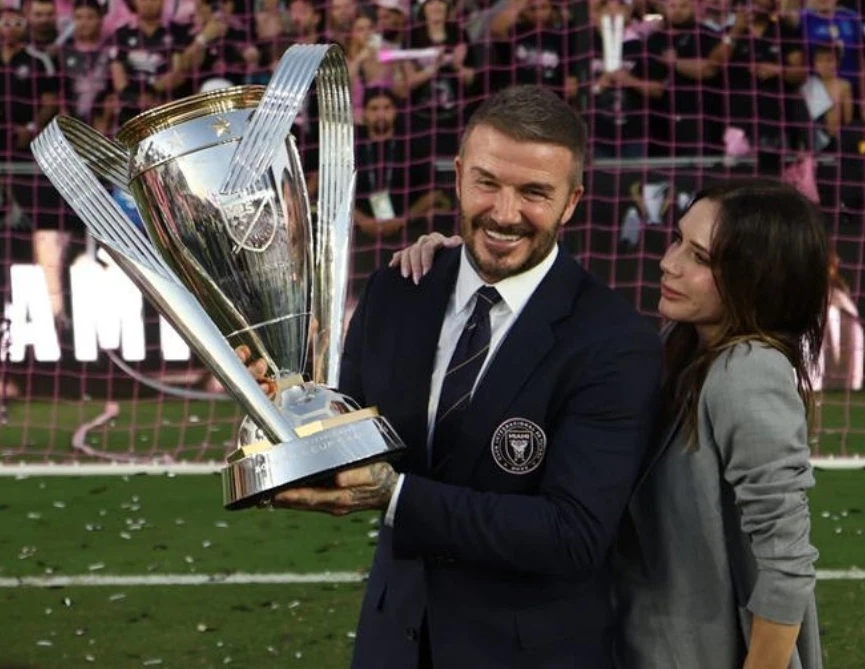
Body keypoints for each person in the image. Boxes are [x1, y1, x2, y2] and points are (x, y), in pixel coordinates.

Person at [252, 85, 664, 668]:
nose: (504, 213)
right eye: (487, 182)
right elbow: (351, 430)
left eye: (534, 192)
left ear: (571, 202)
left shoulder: (614, 341)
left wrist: (396, 496)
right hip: (392, 644)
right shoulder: (398, 290)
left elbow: (572, 534)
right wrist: (282, 407)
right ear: (458, 175)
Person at [393, 177, 828, 669]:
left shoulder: (748, 371)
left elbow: (786, 563)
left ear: (759, 278)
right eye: (677, 239)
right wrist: (472, 266)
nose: (670, 262)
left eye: (701, 258)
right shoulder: (679, 348)